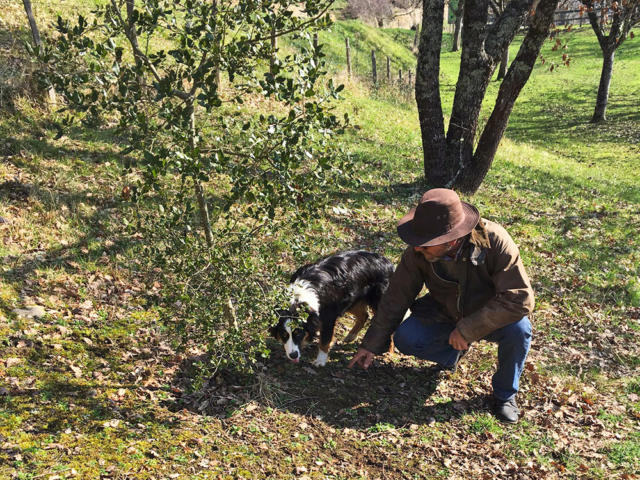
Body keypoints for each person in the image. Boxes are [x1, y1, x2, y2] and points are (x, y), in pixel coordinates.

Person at [348, 188, 534, 423]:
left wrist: (468, 329)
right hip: (444, 312)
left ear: (452, 240)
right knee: (407, 337)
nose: (417, 249)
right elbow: (396, 296)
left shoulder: (495, 241)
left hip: (490, 315)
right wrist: (371, 345)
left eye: (426, 245)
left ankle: (505, 395)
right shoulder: (417, 251)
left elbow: (519, 298)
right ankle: (454, 353)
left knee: (520, 330)